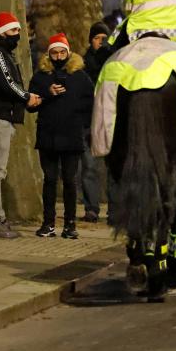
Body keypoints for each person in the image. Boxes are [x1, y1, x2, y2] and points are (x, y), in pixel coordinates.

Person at [0, 12, 42, 238]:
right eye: (14, 31)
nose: (18, 36)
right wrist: (26, 96)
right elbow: (7, 82)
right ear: (3, 32)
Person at [28, 34, 94, 239]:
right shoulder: (40, 77)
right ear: (49, 55)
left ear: (68, 52)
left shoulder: (81, 77)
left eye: (62, 52)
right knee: (49, 179)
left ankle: (70, 224)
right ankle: (48, 223)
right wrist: (48, 93)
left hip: (72, 136)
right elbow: (30, 104)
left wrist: (82, 125)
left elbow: (90, 104)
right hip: (48, 135)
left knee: (70, 180)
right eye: (54, 53)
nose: (58, 56)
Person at [80, 22, 110, 223]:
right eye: (97, 38)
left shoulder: (113, 63)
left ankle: (115, 208)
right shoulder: (82, 64)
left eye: (104, 38)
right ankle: (91, 208)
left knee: (111, 165)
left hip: (108, 119)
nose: (100, 42)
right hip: (88, 119)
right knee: (89, 166)